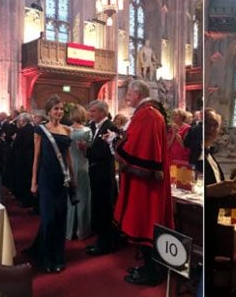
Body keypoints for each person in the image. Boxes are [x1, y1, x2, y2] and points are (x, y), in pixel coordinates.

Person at [114, 80, 175, 286]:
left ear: (138, 93)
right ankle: (148, 267)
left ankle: (152, 272)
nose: (126, 97)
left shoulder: (148, 115)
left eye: (129, 93)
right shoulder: (148, 113)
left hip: (146, 183)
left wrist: (116, 143)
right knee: (145, 222)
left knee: (146, 222)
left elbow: (138, 148)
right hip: (147, 180)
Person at [30, 95, 74, 273]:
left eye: (61, 109)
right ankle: (46, 258)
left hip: (62, 179)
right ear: (48, 111)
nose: (59, 112)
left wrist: (73, 176)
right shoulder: (40, 130)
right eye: (56, 109)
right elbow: (36, 157)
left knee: (60, 219)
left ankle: (58, 257)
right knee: (48, 219)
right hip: (46, 178)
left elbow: (68, 155)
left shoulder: (67, 130)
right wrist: (33, 181)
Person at [203, 108, 236, 296]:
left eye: (215, 125)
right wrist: (209, 191)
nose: (211, 129)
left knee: (209, 267)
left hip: (212, 222)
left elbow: (221, 192)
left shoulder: (212, 158)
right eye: (207, 123)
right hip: (202, 219)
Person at [85, 100, 122, 256]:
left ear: (102, 112)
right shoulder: (93, 127)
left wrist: (89, 151)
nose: (90, 114)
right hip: (95, 172)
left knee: (105, 209)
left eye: (93, 111)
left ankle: (106, 243)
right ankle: (101, 240)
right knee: (98, 208)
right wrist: (85, 150)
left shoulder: (111, 129)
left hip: (105, 174)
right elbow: (93, 150)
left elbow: (110, 153)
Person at [66, 104, 92, 240]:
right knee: (83, 198)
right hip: (83, 166)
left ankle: (69, 230)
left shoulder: (66, 130)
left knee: (70, 198)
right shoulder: (87, 131)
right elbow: (90, 150)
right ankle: (82, 230)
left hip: (69, 166)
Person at [12, 113, 35, 207]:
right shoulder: (34, 128)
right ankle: (31, 200)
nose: (19, 122)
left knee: (23, 179)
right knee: (30, 178)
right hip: (32, 156)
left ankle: (25, 201)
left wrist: (15, 139)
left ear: (23, 121)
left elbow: (16, 144)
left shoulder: (22, 130)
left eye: (20, 120)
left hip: (23, 157)